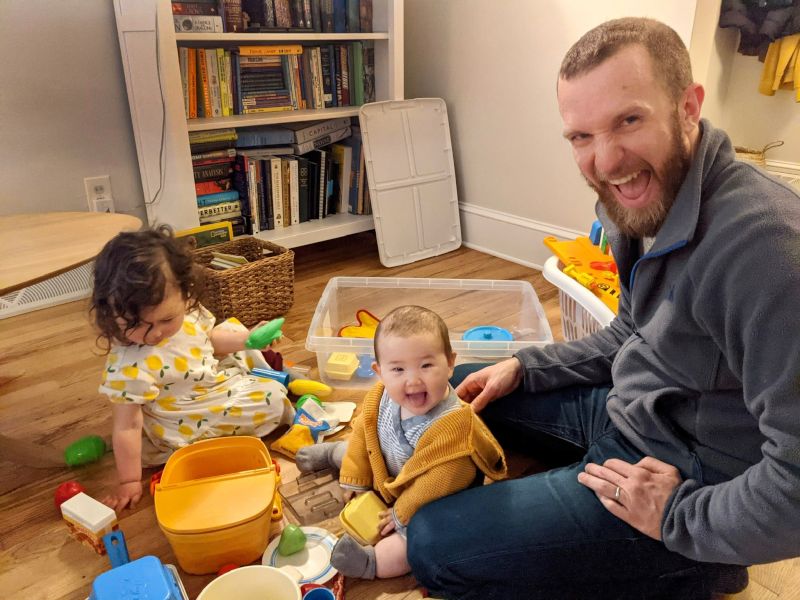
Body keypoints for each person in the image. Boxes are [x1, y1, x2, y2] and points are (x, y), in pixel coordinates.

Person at [406, 17, 800, 600]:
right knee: (455, 393)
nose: (607, 160)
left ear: (689, 106)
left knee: (433, 546)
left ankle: (700, 562)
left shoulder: (767, 250)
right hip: (633, 413)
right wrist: (528, 367)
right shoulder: (637, 202)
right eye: (581, 136)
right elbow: (633, 332)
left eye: (629, 120)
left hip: (690, 473)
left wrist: (681, 517)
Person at [295, 305, 507, 580]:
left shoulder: (454, 425)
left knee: (417, 536)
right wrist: (355, 478)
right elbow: (363, 432)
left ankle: (374, 563)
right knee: (356, 449)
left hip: (431, 497)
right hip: (390, 467)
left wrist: (401, 512)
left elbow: (443, 480)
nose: (413, 380)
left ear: (451, 363)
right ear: (379, 371)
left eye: (427, 365)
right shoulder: (379, 395)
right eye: (397, 369)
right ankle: (334, 453)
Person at [92, 226, 295, 511]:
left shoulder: (189, 313)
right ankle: (196, 443)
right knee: (273, 399)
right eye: (136, 325)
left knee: (234, 332)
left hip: (209, 378)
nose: (155, 335)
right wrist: (129, 480)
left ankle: (260, 368)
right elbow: (127, 425)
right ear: (111, 314)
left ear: (186, 295)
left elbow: (208, 341)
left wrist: (249, 338)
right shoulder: (128, 366)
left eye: (166, 320)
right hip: (183, 417)